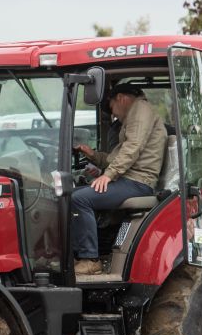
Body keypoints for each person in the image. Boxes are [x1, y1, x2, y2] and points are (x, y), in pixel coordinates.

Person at [71, 83, 167, 275]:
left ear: (121, 98)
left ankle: (90, 259)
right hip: (129, 178)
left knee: (79, 199)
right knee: (71, 194)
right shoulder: (136, 115)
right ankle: (77, 254)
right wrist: (92, 155)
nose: (114, 115)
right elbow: (115, 157)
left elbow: (133, 148)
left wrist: (108, 175)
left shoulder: (140, 110)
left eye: (112, 108)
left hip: (138, 182)